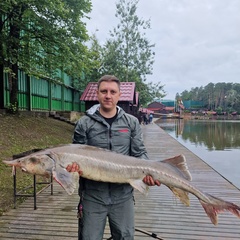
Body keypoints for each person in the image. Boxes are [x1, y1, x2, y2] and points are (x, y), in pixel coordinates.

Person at [66, 75, 160, 240]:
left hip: (123, 196)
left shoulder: (131, 123)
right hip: (92, 196)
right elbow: (76, 154)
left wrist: (148, 174)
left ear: (119, 95)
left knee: (125, 237)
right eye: (104, 91)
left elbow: (139, 153)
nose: (108, 95)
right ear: (97, 94)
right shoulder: (84, 123)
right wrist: (72, 169)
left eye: (112, 92)